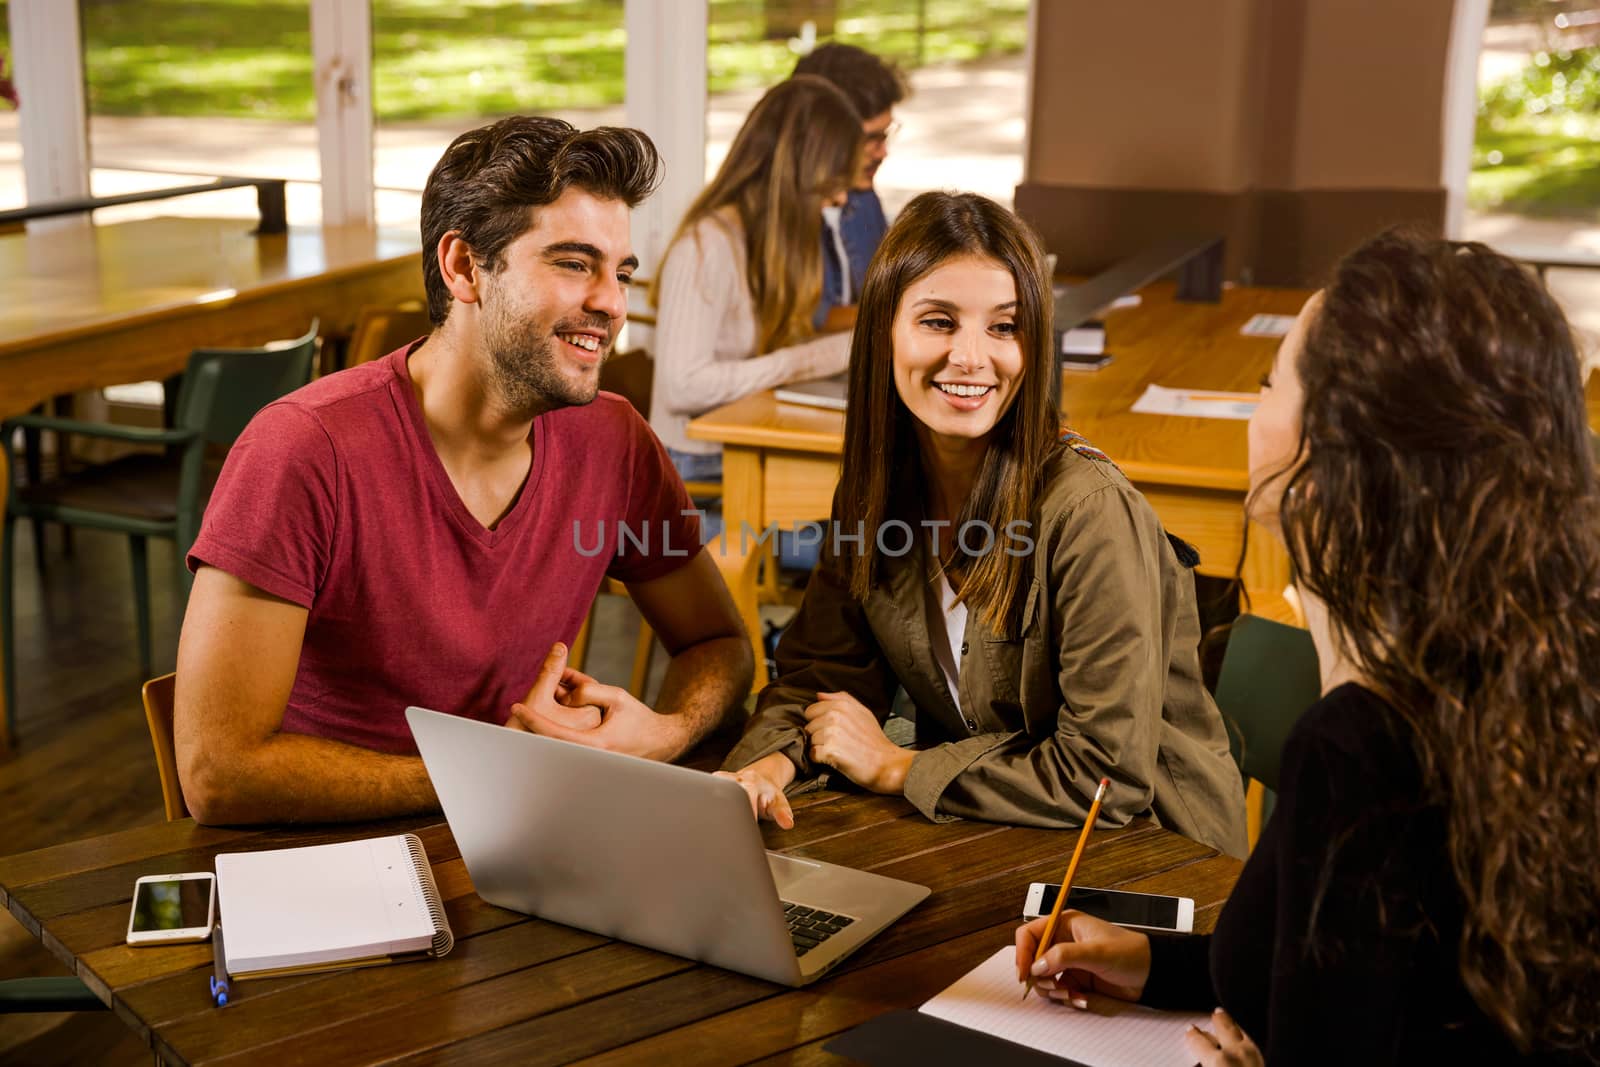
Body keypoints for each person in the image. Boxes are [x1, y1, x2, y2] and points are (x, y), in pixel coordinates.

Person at [1015, 230, 1600, 1065]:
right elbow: (1378, 979)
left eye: (1266, 384)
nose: (1254, 410)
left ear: (1331, 455)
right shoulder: (1536, 673)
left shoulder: (1361, 750)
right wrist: (1157, 962)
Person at [174, 117, 753, 826]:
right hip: (332, 864)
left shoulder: (614, 440)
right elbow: (217, 771)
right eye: (574, 264)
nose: (611, 302)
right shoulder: (303, 449)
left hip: (529, 841)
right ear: (463, 267)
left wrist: (661, 733)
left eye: (621, 272)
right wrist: (493, 772)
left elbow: (719, 645)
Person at [716, 191, 1247, 857]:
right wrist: (770, 765)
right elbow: (822, 676)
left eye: (1004, 327)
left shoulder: (1089, 513)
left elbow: (1104, 778)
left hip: (1153, 859)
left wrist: (896, 767)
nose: (973, 358)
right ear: (884, 331)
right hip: (988, 834)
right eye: (939, 321)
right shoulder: (873, 495)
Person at [648, 75, 861, 486]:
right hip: (697, 470)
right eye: (833, 184)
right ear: (800, 175)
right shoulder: (707, 246)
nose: (839, 199)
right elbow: (683, 386)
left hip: (739, 445)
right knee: (828, 531)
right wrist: (801, 362)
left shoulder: (766, 241)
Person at [791, 42, 907, 332]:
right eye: (871, 138)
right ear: (822, 132)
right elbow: (804, 323)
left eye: (886, 135)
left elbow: (884, 288)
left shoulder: (863, 198)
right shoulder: (772, 213)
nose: (883, 153)